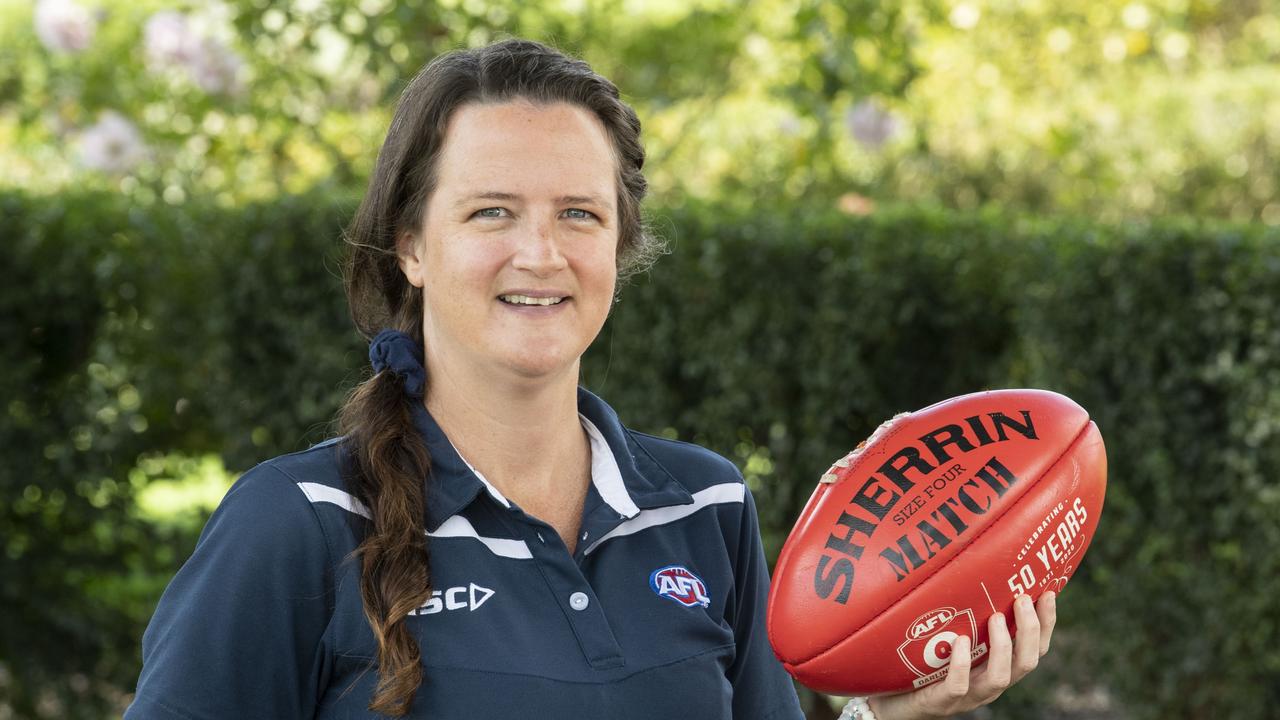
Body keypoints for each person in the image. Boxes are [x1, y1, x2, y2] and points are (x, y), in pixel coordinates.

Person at [124, 38, 1056, 720]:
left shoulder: (703, 505)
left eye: (579, 213)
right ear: (410, 245)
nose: (541, 252)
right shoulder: (297, 523)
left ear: (619, 244)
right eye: (492, 211)